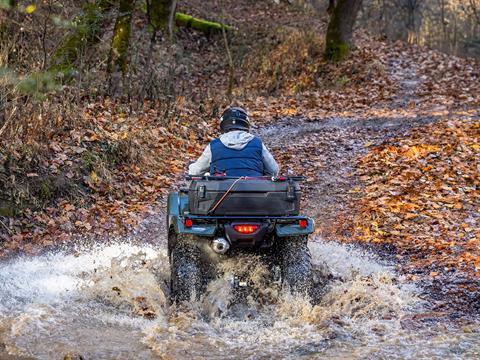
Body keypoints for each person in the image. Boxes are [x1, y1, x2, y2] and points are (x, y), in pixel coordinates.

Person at [188, 107, 279, 177]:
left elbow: (195, 172)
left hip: (220, 197)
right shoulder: (257, 143)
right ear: (246, 124)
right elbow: (274, 170)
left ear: (223, 125)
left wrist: (191, 166)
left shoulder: (214, 146)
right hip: (255, 195)